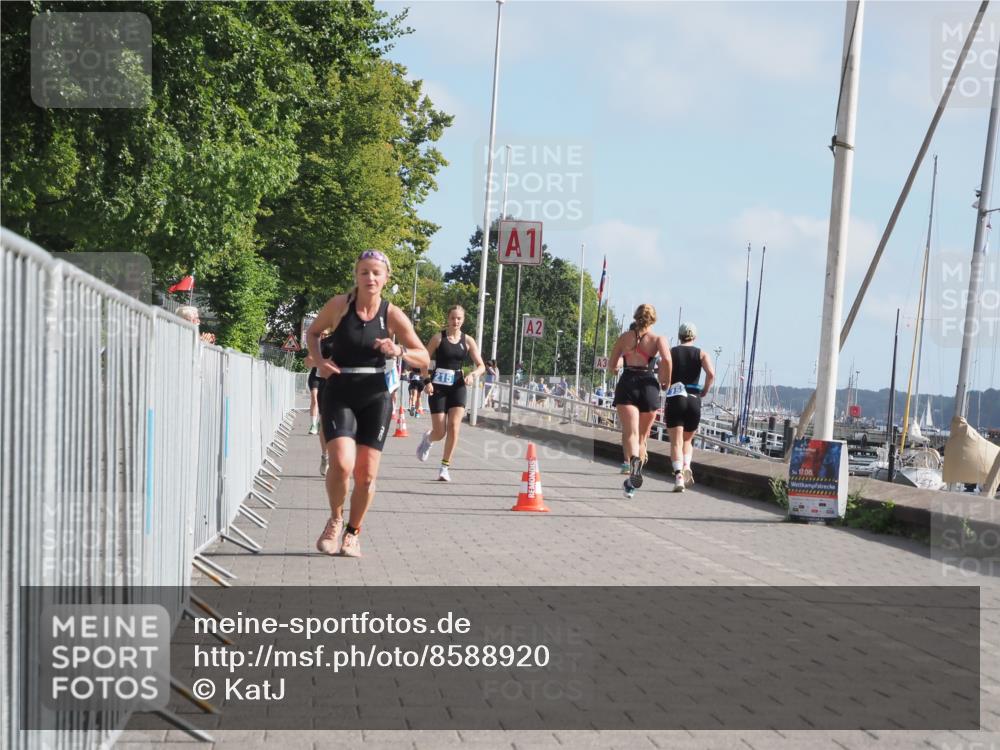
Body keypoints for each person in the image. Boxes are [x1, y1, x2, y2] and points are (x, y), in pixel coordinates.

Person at [306, 250, 429, 558]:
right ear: (356, 276)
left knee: (367, 474)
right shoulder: (339, 305)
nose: (370, 278)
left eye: (376, 273)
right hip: (340, 390)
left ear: (386, 278)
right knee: (342, 463)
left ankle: (353, 532)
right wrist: (320, 361)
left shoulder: (392, 314)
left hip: (376, 396)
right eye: (364, 272)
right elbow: (313, 332)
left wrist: (398, 350)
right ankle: (335, 519)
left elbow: (424, 357)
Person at [415, 305, 486, 481]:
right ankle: (429, 439)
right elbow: (423, 362)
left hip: (458, 387)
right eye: (453, 318)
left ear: (463, 320)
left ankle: (444, 467)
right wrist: (427, 381)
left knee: (454, 426)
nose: (456, 321)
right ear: (448, 319)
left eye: (459, 319)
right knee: (440, 432)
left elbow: (482, 365)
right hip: (438, 388)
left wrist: (473, 375)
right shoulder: (438, 338)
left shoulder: (468, 341)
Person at [610, 304, 672, 499]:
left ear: (635, 317)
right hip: (648, 385)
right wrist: (666, 381)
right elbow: (667, 360)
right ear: (653, 320)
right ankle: (633, 479)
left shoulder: (624, 337)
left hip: (627, 383)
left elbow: (612, 364)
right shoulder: (658, 339)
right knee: (643, 437)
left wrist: (615, 369)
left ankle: (632, 471)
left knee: (630, 433)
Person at [664, 322, 715, 492]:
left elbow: (663, 373)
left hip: (675, 398)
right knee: (687, 440)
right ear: (694, 337)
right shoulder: (701, 354)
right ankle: (687, 465)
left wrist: (665, 385)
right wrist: (705, 390)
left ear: (679, 336)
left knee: (676, 442)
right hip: (693, 398)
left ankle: (679, 476)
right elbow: (711, 374)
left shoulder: (672, 352)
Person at [304, 336, 333, 475]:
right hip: (324, 383)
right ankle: (325, 456)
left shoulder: (359, 340)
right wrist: (324, 362)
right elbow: (308, 361)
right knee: (325, 422)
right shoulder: (326, 343)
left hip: (349, 387)